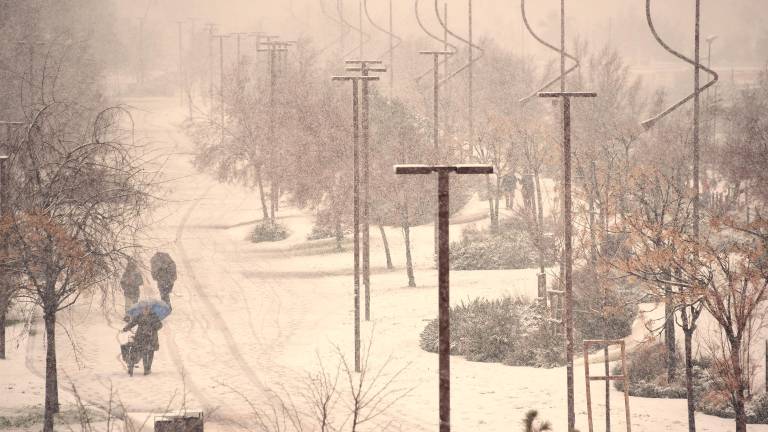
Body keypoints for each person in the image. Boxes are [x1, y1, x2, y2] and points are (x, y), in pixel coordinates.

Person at [122, 305, 162, 375]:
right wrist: (126, 328)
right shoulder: (139, 316)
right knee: (144, 352)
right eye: (144, 309)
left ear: (150, 309)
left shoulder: (154, 316)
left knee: (150, 353)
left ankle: (148, 368)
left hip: (151, 337)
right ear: (142, 309)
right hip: (141, 337)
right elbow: (133, 323)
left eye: (147, 309)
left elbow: (160, 325)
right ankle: (146, 369)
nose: (145, 311)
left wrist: (153, 327)